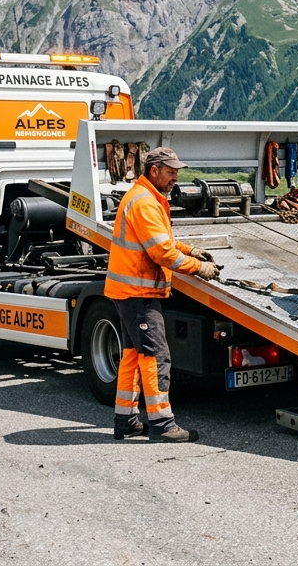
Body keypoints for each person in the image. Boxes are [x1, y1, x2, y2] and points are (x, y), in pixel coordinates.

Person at [105, 146, 221, 442]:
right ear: (153, 170)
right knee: (156, 357)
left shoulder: (145, 197)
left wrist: (190, 249)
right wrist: (198, 267)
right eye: (170, 172)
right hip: (139, 293)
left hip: (130, 293)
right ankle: (162, 424)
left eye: (177, 173)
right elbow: (161, 252)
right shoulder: (144, 202)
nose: (175, 178)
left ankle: (126, 420)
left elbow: (163, 240)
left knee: (133, 356)